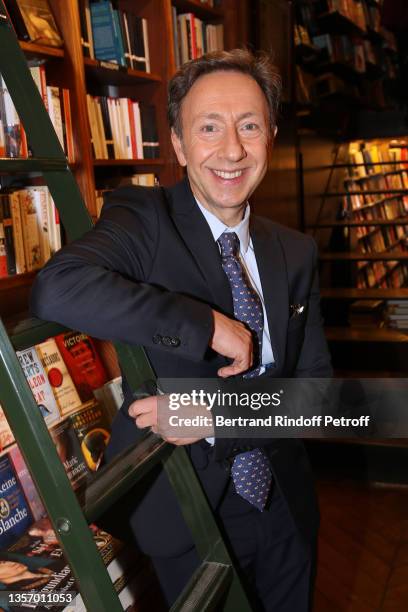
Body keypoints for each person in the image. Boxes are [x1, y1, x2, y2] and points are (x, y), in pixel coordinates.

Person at [30, 49, 332, 611]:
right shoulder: (144, 216)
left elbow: (321, 398)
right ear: (177, 144)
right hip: (186, 510)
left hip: (288, 504)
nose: (232, 150)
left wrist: (217, 415)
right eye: (209, 128)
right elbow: (58, 286)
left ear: (270, 134)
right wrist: (204, 325)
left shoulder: (296, 251)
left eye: (249, 126)